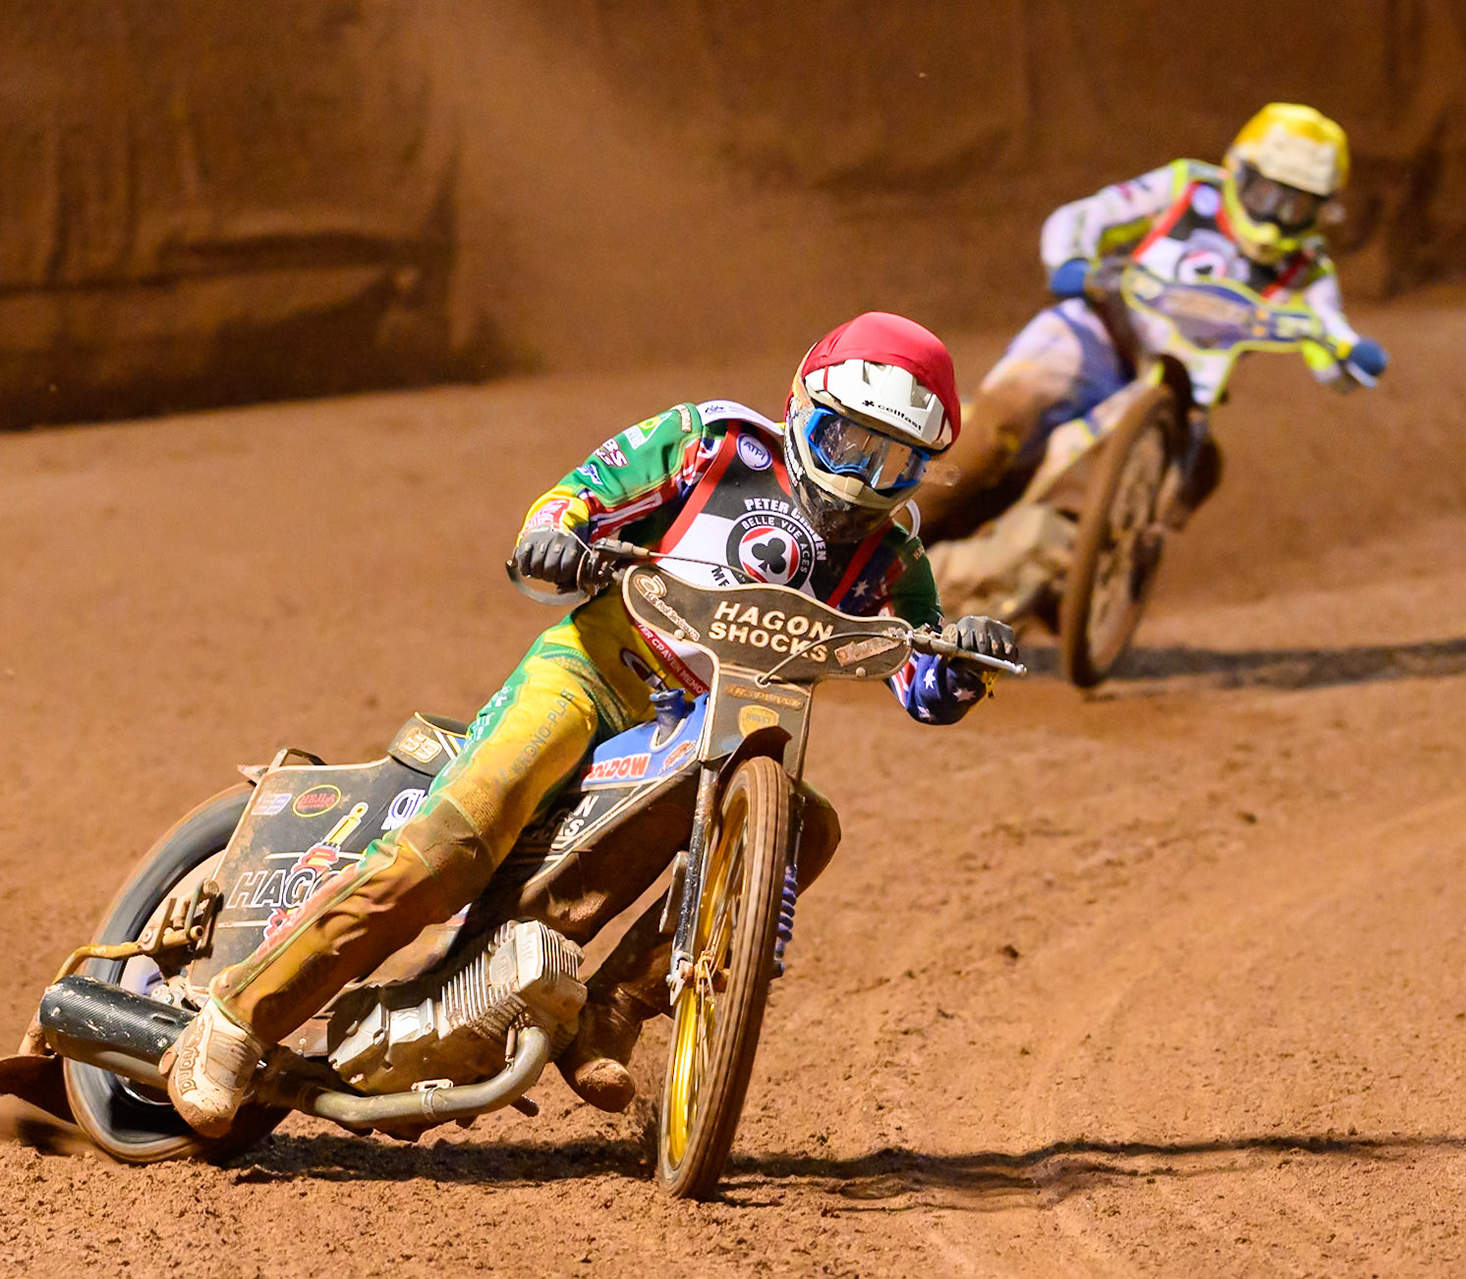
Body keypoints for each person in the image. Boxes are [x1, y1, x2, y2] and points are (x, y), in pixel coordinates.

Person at [161, 312, 1019, 1135]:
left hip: (716, 728)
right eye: (849, 444)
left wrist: (964, 659)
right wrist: (554, 537)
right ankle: (234, 1020)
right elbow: (582, 496)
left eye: (895, 463)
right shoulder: (714, 442)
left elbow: (919, 676)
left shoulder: (892, 557)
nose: (861, 480)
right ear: (802, 406)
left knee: (805, 823)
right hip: (593, 676)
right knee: (455, 847)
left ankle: (611, 1011)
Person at [914, 102, 1391, 543]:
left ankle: (1074, 574)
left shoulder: (1308, 269)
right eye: (1267, 194)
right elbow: (1088, 215)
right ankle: (890, 525)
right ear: (1239, 172)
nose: (1276, 217)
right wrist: (1070, 261)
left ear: (1321, 209)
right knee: (1004, 421)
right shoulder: (1188, 189)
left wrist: (1350, 354)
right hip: (1096, 333)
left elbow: (1329, 333)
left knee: (1185, 476)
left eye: (1297, 205)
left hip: (1177, 389)